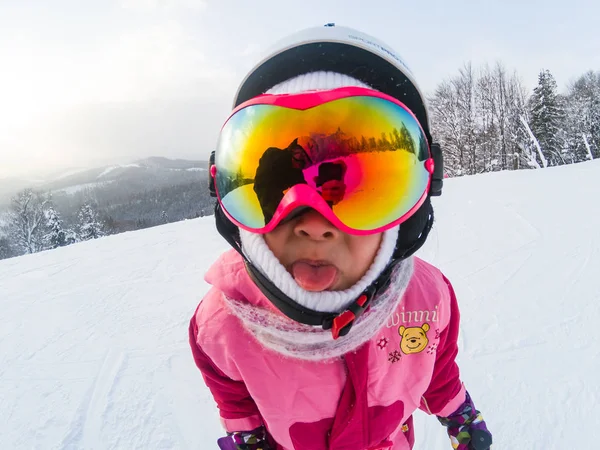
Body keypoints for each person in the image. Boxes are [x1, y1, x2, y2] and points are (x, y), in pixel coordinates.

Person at [190, 24, 493, 450]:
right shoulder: (225, 324)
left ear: (403, 219)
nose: (314, 224)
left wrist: (459, 414)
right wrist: (248, 436)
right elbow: (231, 390)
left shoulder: (426, 300)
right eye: (283, 193)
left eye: (361, 198)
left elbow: (434, 368)